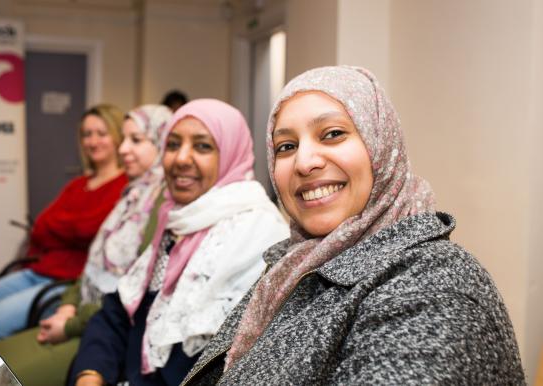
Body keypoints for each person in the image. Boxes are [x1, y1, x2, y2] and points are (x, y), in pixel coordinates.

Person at [180, 66, 525, 385]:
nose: (304, 161)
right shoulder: (290, 265)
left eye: (332, 134)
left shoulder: (432, 282)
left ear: (381, 146)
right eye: (286, 146)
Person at [70, 99, 289, 386]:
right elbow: (120, 311)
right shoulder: (177, 222)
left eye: (202, 146)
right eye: (173, 145)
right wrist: (91, 373)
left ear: (231, 155)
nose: (181, 159)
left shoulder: (260, 237)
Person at [0, 104, 174, 385]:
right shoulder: (133, 196)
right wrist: (67, 306)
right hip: (83, 311)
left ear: (162, 142)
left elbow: (129, 298)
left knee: (1, 373)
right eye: (124, 139)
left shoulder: (161, 205)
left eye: (136, 140)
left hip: (103, 333)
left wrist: (71, 323)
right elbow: (91, 266)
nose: (124, 149)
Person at [0, 104, 129, 342]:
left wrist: (66, 226)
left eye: (101, 133)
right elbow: (42, 228)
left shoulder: (125, 186)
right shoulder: (77, 185)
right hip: (41, 270)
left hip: (69, 283)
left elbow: (91, 229)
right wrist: (73, 229)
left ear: (117, 137)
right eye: (87, 134)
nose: (92, 141)